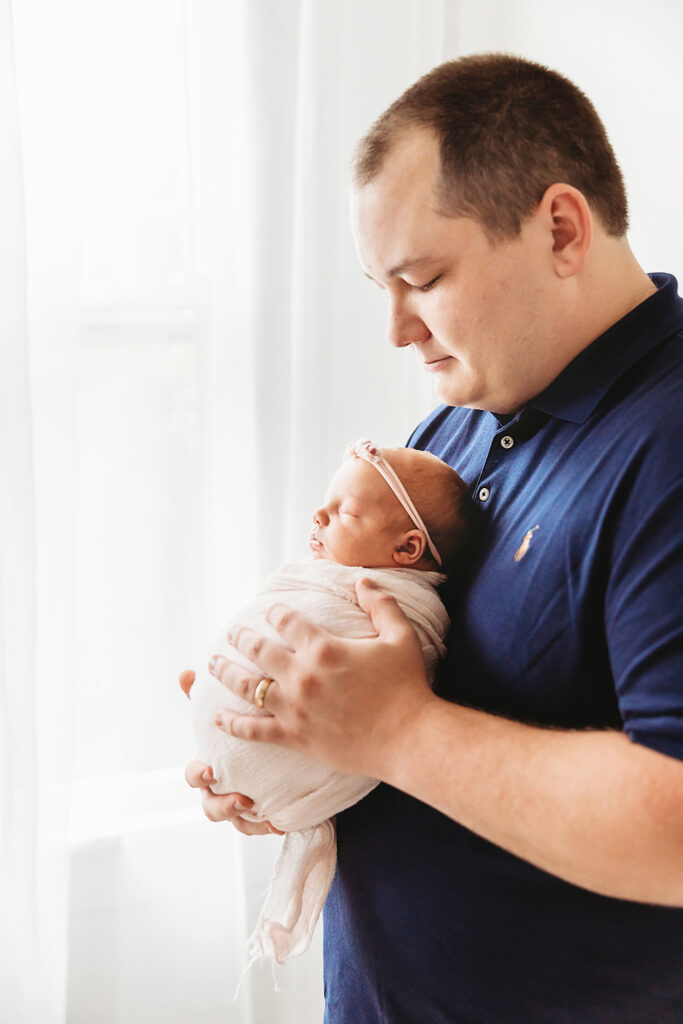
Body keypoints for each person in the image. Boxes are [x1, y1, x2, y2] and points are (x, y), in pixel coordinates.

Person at [184, 54, 683, 1022]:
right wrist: (286, 747)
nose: (395, 331)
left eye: (421, 279)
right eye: (378, 285)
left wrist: (395, 729)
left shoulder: (665, 444)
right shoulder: (447, 429)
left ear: (559, 228)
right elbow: (393, 696)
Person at [183, 439, 471, 964]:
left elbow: (369, 690)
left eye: (343, 511)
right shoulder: (440, 435)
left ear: (406, 552)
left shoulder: (393, 605)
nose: (319, 513)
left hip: (443, 946)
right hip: (362, 951)